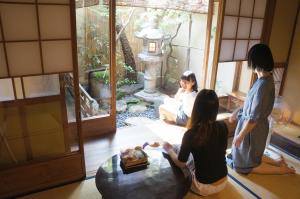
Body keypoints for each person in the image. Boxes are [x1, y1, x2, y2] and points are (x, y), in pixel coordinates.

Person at [229, 43, 295, 175]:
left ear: (256, 62)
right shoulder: (262, 80)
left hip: (253, 129)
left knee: (243, 166)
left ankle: (282, 170)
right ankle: (277, 163)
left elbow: (254, 117)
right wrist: (236, 112)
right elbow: (249, 103)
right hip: (250, 126)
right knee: (247, 157)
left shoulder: (263, 86)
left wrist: (241, 136)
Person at [163, 89, 228, 196]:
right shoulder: (223, 126)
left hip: (202, 187)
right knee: (183, 151)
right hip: (223, 181)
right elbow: (222, 152)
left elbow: (181, 163)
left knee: (175, 161)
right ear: (216, 108)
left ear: (196, 108)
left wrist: (169, 149)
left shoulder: (191, 134)